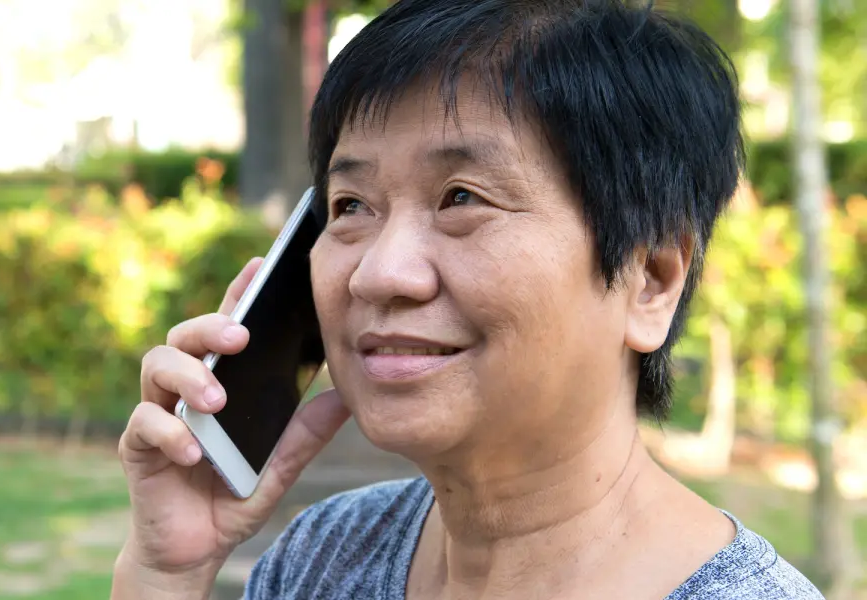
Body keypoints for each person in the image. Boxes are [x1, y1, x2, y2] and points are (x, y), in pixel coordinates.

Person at [111, 0, 825, 598]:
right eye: (351, 204)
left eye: (461, 198)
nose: (379, 275)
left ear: (651, 280)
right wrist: (165, 574)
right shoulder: (323, 558)